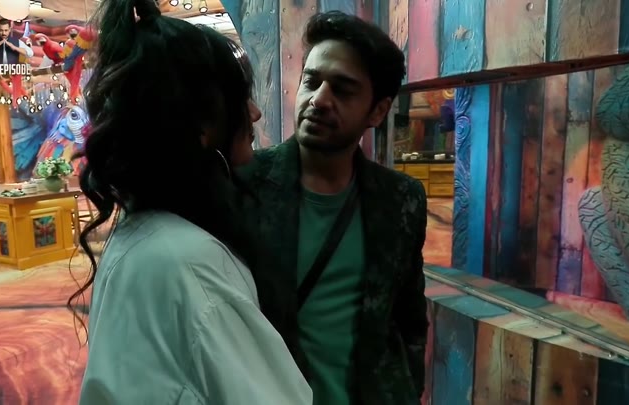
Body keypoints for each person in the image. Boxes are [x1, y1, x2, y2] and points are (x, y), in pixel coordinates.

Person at [68, 0, 312, 404]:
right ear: (200, 124)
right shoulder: (191, 262)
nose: (254, 113)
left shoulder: (145, 232)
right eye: (240, 97)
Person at [239, 11, 427, 405]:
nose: (319, 99)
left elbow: (409, 319)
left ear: (378, 111)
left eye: (342, 90)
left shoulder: (401, 199)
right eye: (312, 81)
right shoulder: (246, 185)